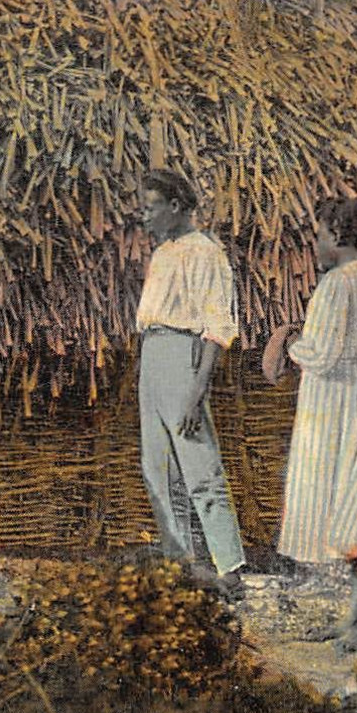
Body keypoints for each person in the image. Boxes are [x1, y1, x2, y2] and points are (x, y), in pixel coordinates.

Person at [268, 197, 357, 652]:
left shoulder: (336, 286)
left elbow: (320, 355)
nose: (316, 245)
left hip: (339, 406)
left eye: (320, 235)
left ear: (340, 237)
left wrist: (289, 340)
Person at [136, 170, 247, 594]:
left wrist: (197, 388)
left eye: (151, 208)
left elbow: (217, 326)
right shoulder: (164, 253)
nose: (145, 216)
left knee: (200, 467)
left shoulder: (206, 253)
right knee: (158, 470)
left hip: (185, 357)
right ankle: (181, 566)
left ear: (176, 207)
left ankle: (229, 568)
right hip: (154, 356)